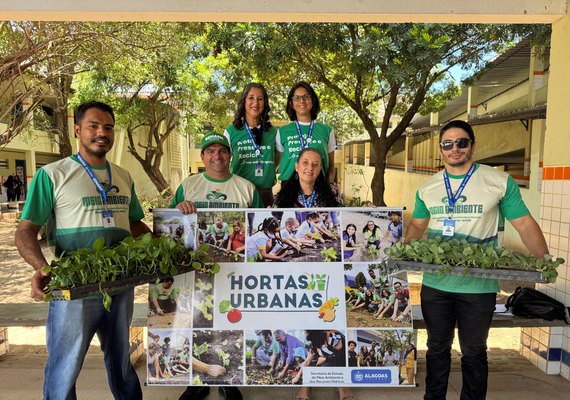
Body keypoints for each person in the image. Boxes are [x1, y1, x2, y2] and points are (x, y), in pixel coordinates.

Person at [15, 101, 151, 399]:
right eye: (93, 126)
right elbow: (26, 230)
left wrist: (165, 257)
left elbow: (135, 224)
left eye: (108, 127)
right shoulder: (52, 174)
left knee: (122, 364)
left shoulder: (123, 176)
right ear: (77, 130)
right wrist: (40, 267)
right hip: (74, 291)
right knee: (65, 367)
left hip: (120, 287)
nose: (102, 132)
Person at [405, 120, 549, 400]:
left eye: (462, 142)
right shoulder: (428, 187)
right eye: (448, 144)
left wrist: (543, 262)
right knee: (436, 348)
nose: (455, 149)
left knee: (473, 352)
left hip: (478, 288)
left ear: (472, 145)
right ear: (441, 149)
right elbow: (416, 229)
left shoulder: (497, 182)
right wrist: (396, 252)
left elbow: (524, 224)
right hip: (437, 285)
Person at [171, 131, 263, 400]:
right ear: (202, 156)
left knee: (229, 320)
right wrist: (178, 207)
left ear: (230, 155)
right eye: (210, 151)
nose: (217, 156)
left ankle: (229, 380)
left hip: (234, 271)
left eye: (222, 151)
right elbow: (169, 222)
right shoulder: (188, 185)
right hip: (194, 268)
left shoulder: (245, 187)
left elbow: (256, 228)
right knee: (194, 320)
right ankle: (196, 383)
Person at [274, 148, 353, 400]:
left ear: (320, 169)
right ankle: (305, 386)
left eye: (315, 164)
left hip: (327, 272)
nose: (310, 168)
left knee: (334, 317)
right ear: (296, 166)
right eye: (305, 163)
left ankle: (342, 385)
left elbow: (343, 219)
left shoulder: (331, 194)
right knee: (306, 320)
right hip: (296, 274)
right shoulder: (282, 195)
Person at [224, 82, 277, 206]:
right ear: (244, 101)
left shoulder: (273, 132)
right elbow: (225, 162)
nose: (255, 103)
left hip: (265, 193)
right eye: (251, 98)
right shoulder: (231, 131)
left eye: (260, 99)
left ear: (265, 103)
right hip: (239, 192)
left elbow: (276, 159)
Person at [275, 81, 337, 186]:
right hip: (289, 187)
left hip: (318, 187)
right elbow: (277, 163)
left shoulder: (327, 131)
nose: (302, 101)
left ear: (312, 101)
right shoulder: (282, 132)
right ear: (291, 103)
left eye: (306, 97)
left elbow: (331, 166)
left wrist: (329, 186)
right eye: (297, 98)